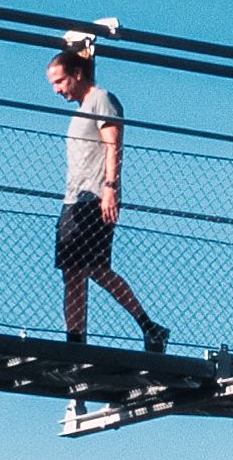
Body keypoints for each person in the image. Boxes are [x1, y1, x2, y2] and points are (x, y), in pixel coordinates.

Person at [45, 35, 168, 353]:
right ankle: (77, 340)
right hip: (73, 199)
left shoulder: (102, 100)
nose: (57, 89)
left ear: (77, 74)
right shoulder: (81, 109)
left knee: (91, 269)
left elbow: (114, 143)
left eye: (59, 81)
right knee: (76, 272)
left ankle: (147, 327)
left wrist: (110, 188)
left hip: (93, 198)